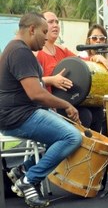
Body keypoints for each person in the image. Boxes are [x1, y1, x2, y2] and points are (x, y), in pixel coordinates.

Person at [0, 12, 82, 208]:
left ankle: (23, 169)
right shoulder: (20, 52)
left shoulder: (17, 49)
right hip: (17, 117)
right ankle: (28, 180)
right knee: (72, 137)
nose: (46, 37)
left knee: (64, 135)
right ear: (31, 29)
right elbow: (36, 93)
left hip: (21, 114)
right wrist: (67, 105)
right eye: (44, 31)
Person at [36, 11, 108, 133]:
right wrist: (51, 80)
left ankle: (93, 150)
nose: (55, 25)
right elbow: (32, 83)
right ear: (41, 26)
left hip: (68, 101)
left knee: (97, 112)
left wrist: (96, 58)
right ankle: (73, 150)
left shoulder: (62, 50)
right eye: (50, 22)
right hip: (50, 105)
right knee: (85, 115)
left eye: (57, 22)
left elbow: (82, 63)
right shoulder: (37, 53)